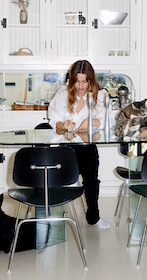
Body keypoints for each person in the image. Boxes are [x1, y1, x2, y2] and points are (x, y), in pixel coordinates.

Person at [47, 60, 110, 228]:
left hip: (87, 146)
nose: (80, 86)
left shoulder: (100, 95)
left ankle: (93, 217)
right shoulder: (63, 94)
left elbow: (106, 120)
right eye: (77, 81)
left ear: (91, 80)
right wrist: (63, 124)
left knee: (91, 181)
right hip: (66, 147)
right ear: (71, 80)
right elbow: (53, 117)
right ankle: (54, 214)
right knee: (57, 178)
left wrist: (90, 121)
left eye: (84, 81)